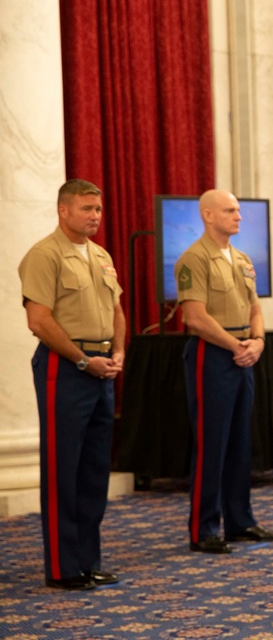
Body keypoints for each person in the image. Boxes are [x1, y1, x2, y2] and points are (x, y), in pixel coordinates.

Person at [18, 179, 125, 590]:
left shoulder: (100, 255)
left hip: (102, 368)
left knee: (95, 470)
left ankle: (88, 560)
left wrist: (118, 355)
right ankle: (63, 568)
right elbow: (39, 321)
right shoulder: (45, 255)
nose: (95, 216)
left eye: (97, 210)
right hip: (64, 368)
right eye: (86, 209)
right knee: (63, 468)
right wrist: (82, 360)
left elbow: (116, 310)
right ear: (63, 210)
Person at [175, 189, 273, 554]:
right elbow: (196, 317)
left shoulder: (241, 259)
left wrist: (258, 341)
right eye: (230, 211)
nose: (238, 216)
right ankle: (204, 528)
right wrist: (237, 346)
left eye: (238, 210)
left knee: (239, 441)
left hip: (243, 353)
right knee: (212, 443)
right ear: (207, 215)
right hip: (213, 355)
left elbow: (255, 308)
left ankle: (240, 521)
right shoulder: (194, 259)